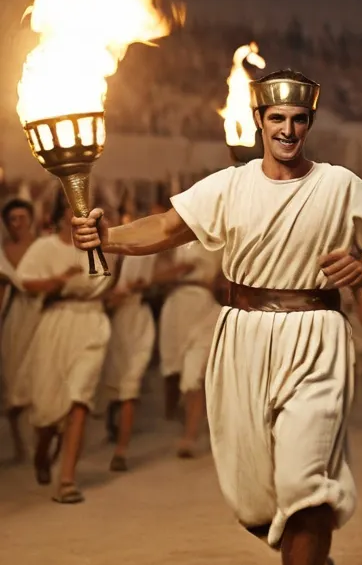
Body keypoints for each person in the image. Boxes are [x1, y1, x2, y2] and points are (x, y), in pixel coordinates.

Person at [72, 68, 362, 565]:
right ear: (259, 122)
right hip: (242, 337)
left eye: (298, 120)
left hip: (316, 335)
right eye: (276, 119)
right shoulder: (228, 185)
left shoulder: (338, 184)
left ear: (309, 124)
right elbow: (168, 228)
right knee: (257, 499)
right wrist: (106, 237)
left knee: (305, 481)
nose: (287, 129)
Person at [18, 195, 111, 500]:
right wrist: (58, 281)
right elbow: (25, 282)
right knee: (47, 407)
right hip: (57, 322)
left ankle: (67, 480)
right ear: (61, 216)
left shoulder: (99, 247)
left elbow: (109, 280)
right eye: (75, 210)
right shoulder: (45, 247)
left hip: (92, 322)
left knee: (79, 399)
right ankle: (43, 450)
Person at [158, 241, 223, 457]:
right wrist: (176, 271)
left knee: (194, 374)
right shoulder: (176, 242)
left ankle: (190, 435)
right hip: (177, 307)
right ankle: (187, 419)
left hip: (204, 307)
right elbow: (155, 276)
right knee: (175, 372)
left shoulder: (219, 242)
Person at [102, 254, 157, 471]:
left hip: (138, 321)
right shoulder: (107, 255)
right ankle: (113, 425)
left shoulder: (145, 252)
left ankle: (121, 452)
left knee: (130, 386)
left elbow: (161, 272)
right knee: (113, 385)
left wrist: (149, 283)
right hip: (114, 324)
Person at [0, 198, 39, 461]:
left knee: (39, 379)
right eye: (12, 219)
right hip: (13, 317)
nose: (18, 224)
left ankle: (41, 444)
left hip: (41, 315)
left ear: (31, 219)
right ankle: (20, 444)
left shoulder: (42, 247)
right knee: (12, 381)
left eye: (22, 218)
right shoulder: (2, 250)